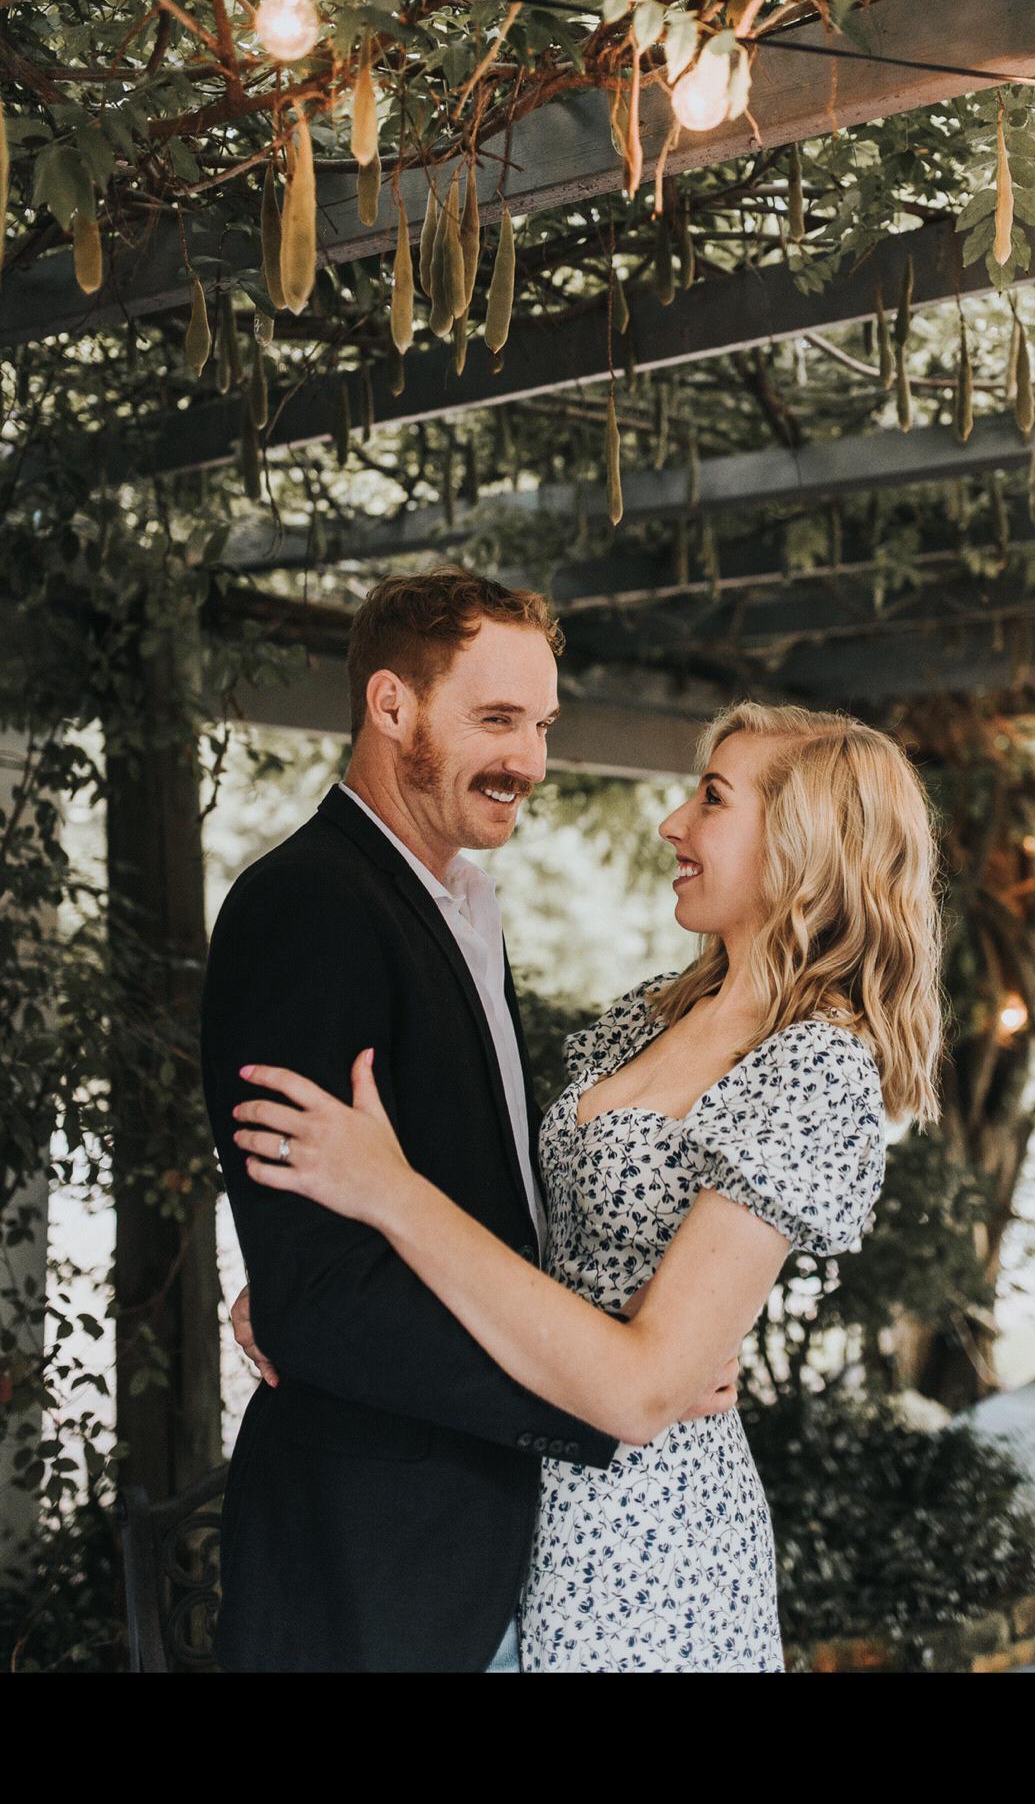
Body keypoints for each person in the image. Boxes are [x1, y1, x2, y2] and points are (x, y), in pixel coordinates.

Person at [230, 689, 946, 1672]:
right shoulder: (651, 1017)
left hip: (646, 1546)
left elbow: (645, 1389)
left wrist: (389, 1193)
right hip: (511, 1504)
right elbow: (533, 1244)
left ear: (805, 841)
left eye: (713, 797)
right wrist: (322, 1285)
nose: (672, 823)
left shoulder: (814, 1066)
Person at [201, 565, 741, 1674]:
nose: (529, 762)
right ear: (391, 705)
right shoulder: (306, 903)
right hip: (377, 1551)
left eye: (542, 725)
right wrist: (611, 1393)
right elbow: (323, 1295)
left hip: (489, 1539)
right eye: (497, 720)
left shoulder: (464, 900)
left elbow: (487, 1201)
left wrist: (649, 1341)